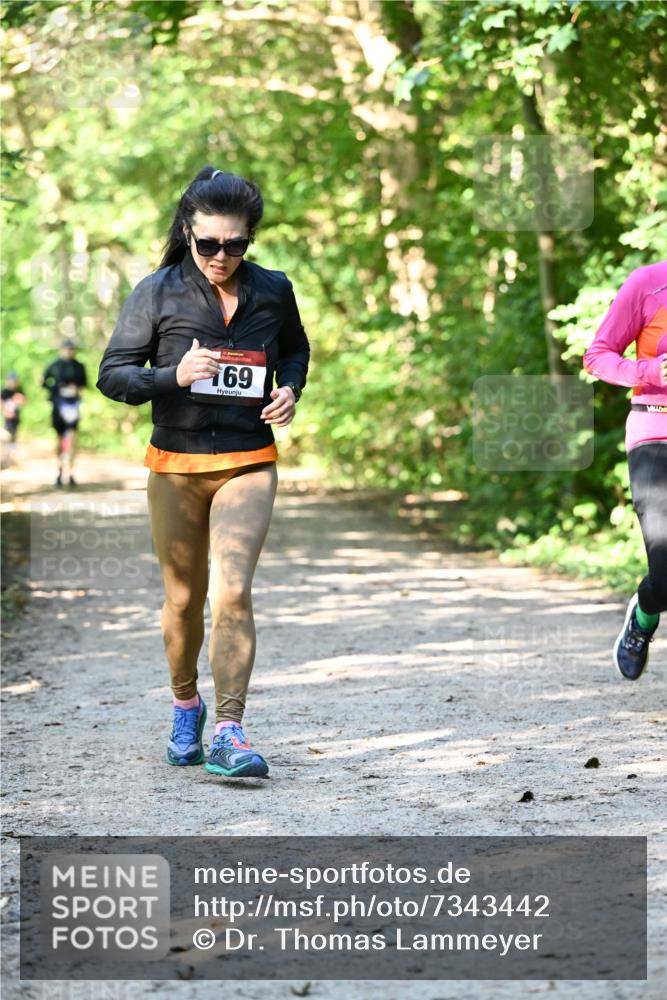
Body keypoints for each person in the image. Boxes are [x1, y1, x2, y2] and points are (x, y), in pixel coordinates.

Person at [97, 165, 310, 779]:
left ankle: (230, 728)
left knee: (234, 590)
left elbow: (294, 348)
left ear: (250, 239)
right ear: (188, 233)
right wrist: (172, 377)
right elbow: (113, 373)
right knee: (184, 599)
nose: (222, 256)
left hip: (247, 457)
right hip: (176, 463)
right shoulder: (158, 292)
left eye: (235, 244)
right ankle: (186, 703)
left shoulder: (273, 289)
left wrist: (290, 388)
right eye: (209, 244)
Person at [583, 260, 667, 680]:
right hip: (656, 429)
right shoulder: (649, 284)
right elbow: (597, 357)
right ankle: (644, 616)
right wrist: (651, 371)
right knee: (666, 568)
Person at [42, 338, 88, 487]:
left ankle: (71, 473)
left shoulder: (79, 366)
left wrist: (76, 390)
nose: (69, 351)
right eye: (66, 349)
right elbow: (43, 382)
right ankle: (60, 472)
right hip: (57, 407)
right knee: (59, 440)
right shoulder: (54, 365)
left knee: (72, 439)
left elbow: (84, 385)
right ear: (61, 350)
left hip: (73, 406)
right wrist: (55, 389)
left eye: (71, 349)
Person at [1, 371, 26, 465]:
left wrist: (20, 400)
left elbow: (24, 401)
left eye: (14, 381)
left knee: (13, 437)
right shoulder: (4, 392)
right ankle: (5, 458)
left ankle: (11, 458)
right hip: (6, 420)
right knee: (6, 437)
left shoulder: (19, 391)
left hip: (16, 419)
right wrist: (6, 410)